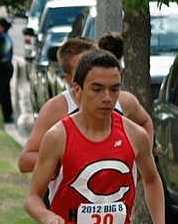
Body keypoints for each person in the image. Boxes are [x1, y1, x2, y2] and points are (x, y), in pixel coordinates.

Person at [24, 49, 168, 224]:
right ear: (77, 91)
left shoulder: (135, 135)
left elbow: (151, 179)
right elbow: (32, 198)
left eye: (114, 89)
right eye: (97, 89)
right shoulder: (58, 137)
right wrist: (48, 217)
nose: (107, 97)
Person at [18, 38, 154, 174]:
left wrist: (143, 158)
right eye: (82, 68)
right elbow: (25, 161)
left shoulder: (124, 101)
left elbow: (145, 122)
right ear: (69, 78)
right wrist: (69, 159)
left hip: (117, 192)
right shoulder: (56, 108)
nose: (92, 72)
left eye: (95, 63)